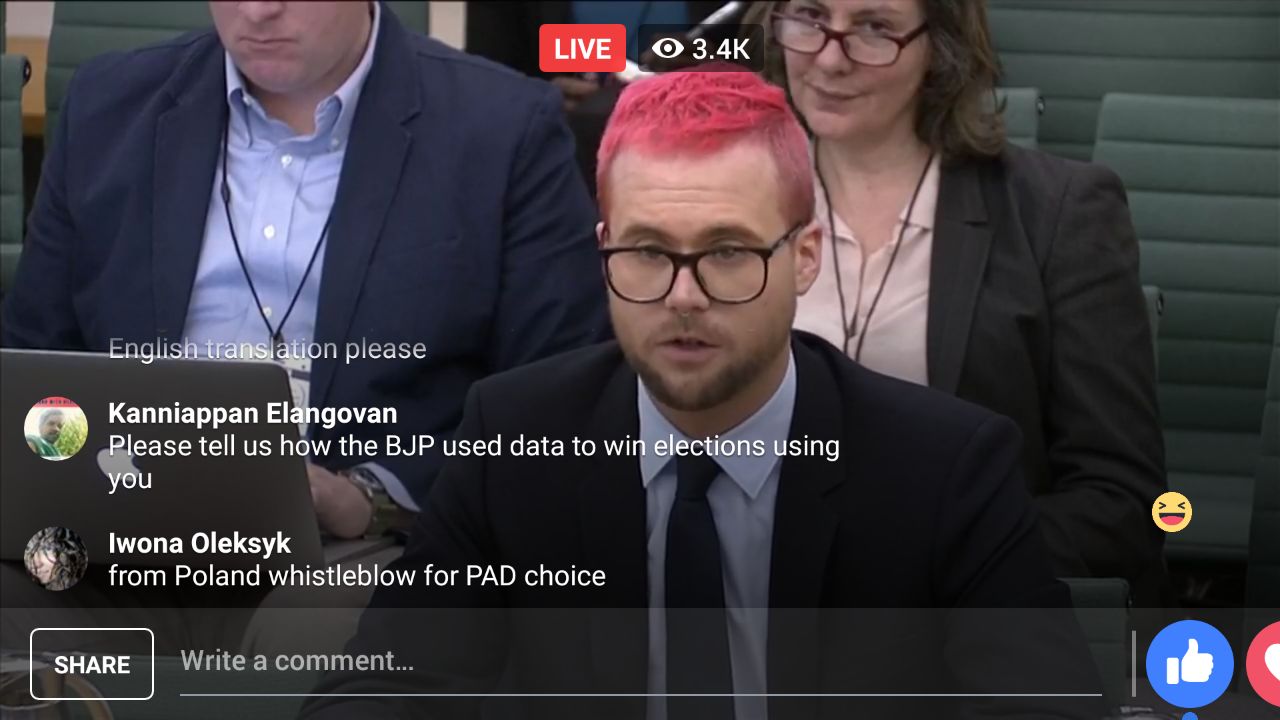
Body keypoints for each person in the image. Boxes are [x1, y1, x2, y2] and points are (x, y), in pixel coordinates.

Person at [301, 69, 1105, 720]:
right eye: (648, 252)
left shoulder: (945, 467)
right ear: (603, 250)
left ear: (805, 257)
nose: (683, 296)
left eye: (726, 252)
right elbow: (381, 689)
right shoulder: (514, 438)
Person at [1, 1, 608, 534]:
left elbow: (554, 408)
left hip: (360, 550)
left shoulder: (503, 130)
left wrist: (371, 500)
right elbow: (31, 356)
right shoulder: (107, 106)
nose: (258, 9)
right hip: (117, 518)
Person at [756, 0, 1166, 600]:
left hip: (963, 614)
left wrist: (929, 558)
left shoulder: (1061, 211)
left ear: (940, 48)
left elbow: (1123, 502)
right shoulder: (729, 202)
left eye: (875, 28)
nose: (829, 58)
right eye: (810, 17)